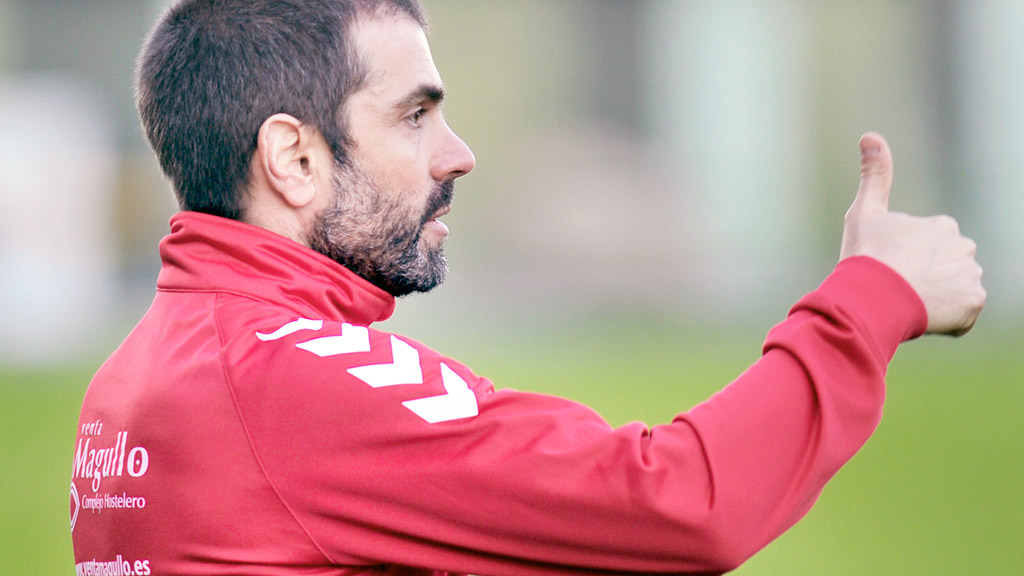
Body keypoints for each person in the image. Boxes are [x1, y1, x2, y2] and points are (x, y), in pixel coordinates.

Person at [69, 0, 985, 574]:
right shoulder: (299, 381)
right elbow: (681, 501)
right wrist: (871, 297)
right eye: (415, 115)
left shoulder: (134, 376)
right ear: (295, 157)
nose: (458, 153)